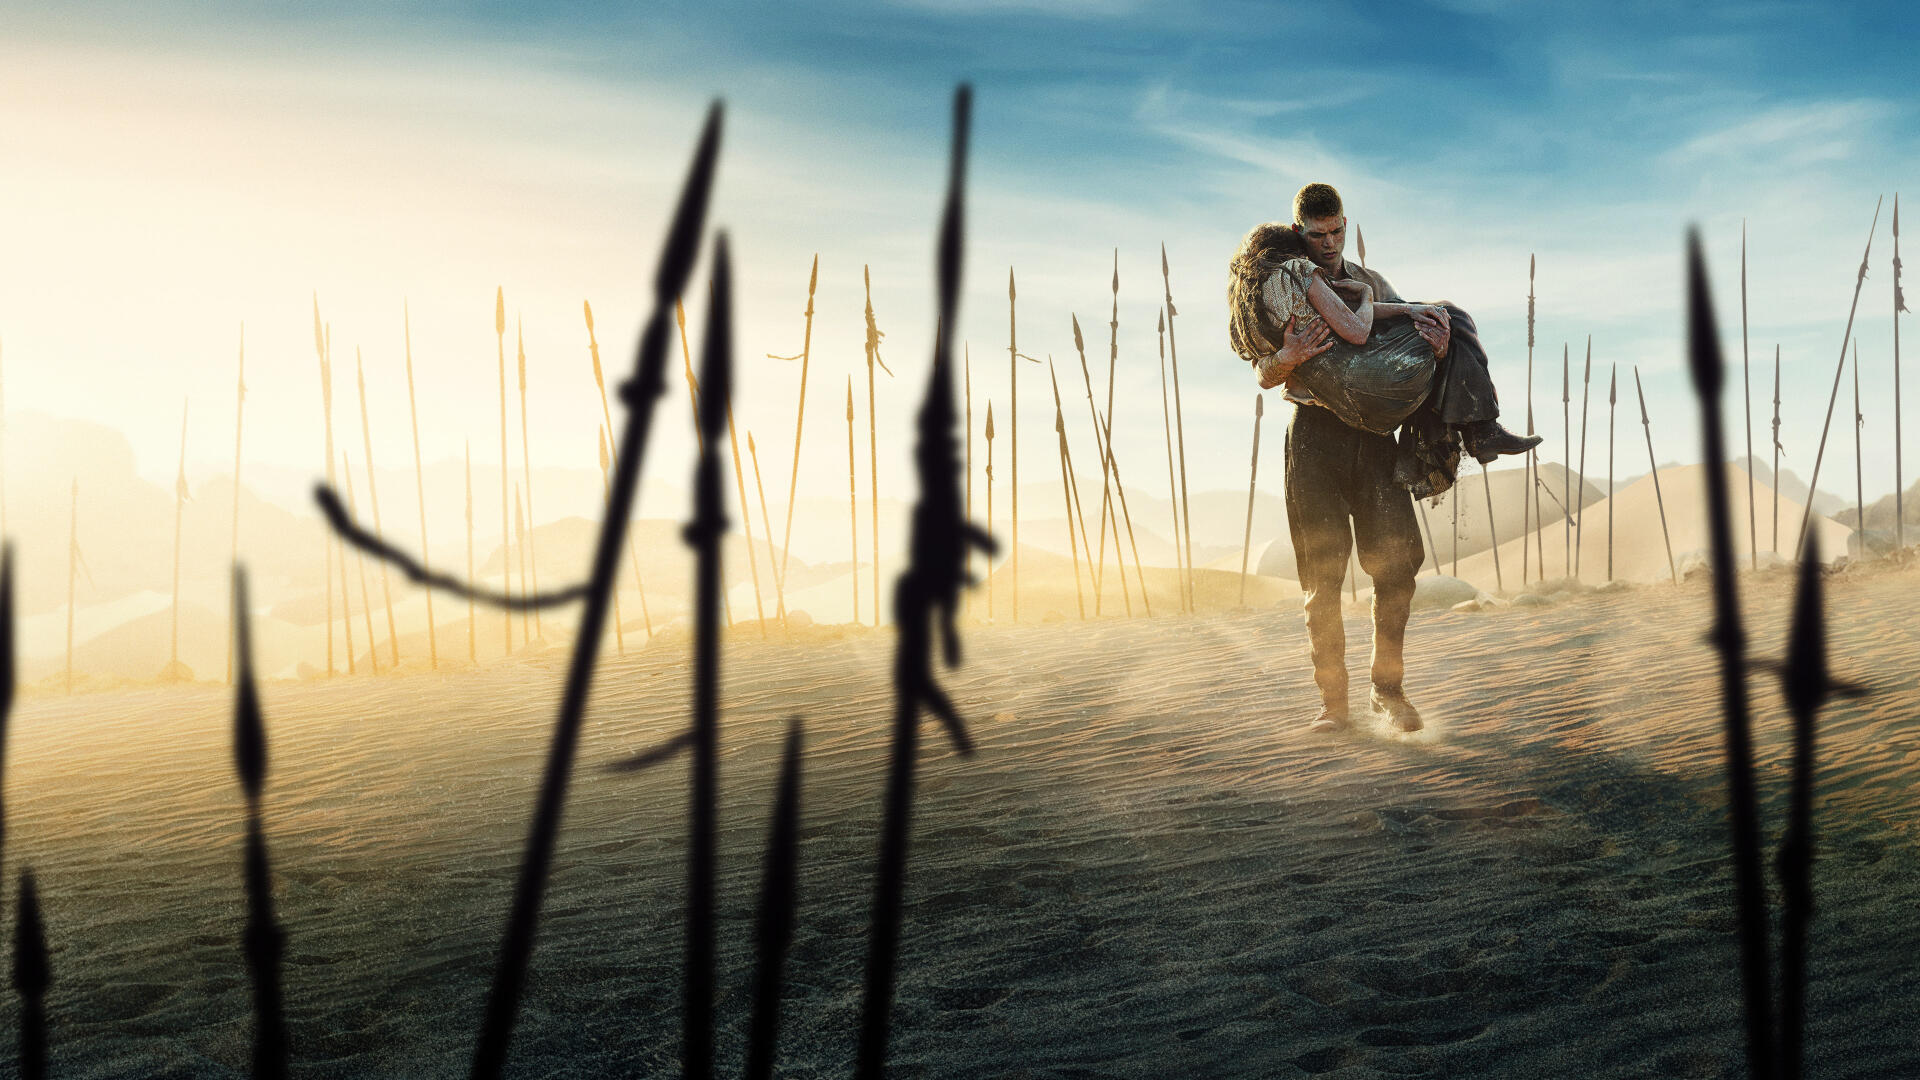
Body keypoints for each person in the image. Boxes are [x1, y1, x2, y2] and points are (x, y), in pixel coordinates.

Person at [1230, 183, 1537, 735]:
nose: (1328, 242)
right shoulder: (1286, 282)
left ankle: (1387, 692)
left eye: (1336, 230)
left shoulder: (1371, 284)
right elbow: (1261, 371)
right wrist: (1288, 356)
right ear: (1300, 231)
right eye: (1317, 234)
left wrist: (1439, 347)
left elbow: (1412, 347)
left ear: (1345, 225)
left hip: (1373, 440)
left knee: (1397, 568)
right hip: (1313, 438)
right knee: (1321, 579)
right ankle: (1333, 705)